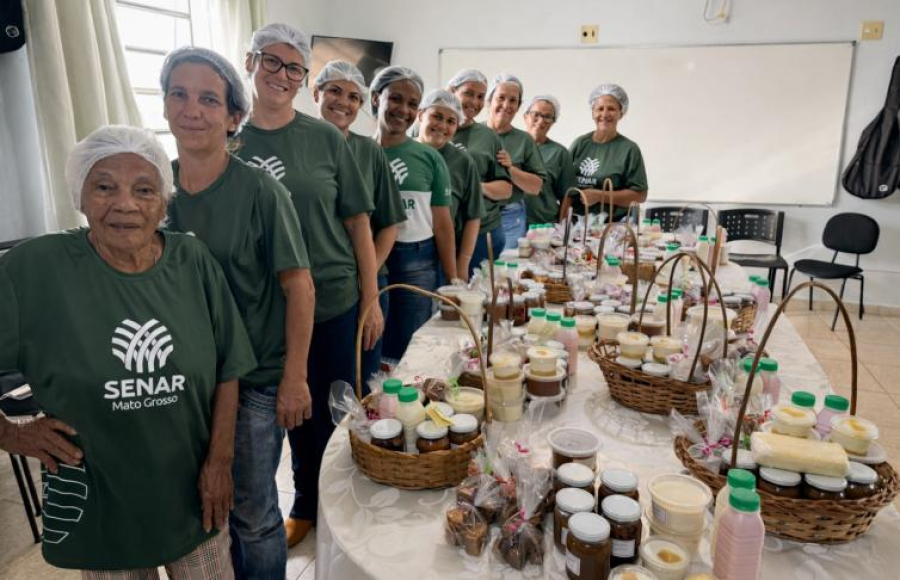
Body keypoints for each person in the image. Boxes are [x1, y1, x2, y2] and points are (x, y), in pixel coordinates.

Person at [0, 125, 257, 578]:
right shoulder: (33, 269)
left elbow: (228, 368)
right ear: (79, 196)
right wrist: (12, 434)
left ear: (164, 202)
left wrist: (220, 463)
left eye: (144, 189)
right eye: (104, 187)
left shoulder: (192, 262)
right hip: (97, 500)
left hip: (193, 492)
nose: (125, 204)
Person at [160, 46, 315, 578]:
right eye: (178, 94)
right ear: (164, 106)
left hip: (254, 378)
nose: (191, 109)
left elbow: (299, 285)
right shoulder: (154, 191)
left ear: (232, 117)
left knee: (253, 514)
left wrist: (294, 378)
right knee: (203, 507)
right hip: (185, 381)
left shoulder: (259, 190)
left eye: (208, 98)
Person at [233, 24, 381, 550]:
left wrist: (371, 299)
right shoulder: (228, 139)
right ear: (249, 63)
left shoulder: (323, 139)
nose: (281, 74)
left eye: (294, 67)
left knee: (340, 412)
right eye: (270, 62)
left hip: (336, 300)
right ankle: (306, 503)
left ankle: (345, 503)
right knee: (292, 415)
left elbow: (359, 222)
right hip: (263, 312)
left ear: (304, 81)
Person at [312, 59, 406, 382]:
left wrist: (367, 285)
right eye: (335, 91)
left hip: (368, 284)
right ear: (316, 93)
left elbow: (389, 224)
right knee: (312, 389)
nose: (344, 102)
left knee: (360, 382)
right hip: (313, 289)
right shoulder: (300, 146)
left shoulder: (369, 152)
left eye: (354, 97)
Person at [372, 66, 456, 360]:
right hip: (370, 261)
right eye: (396, 98)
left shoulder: (429, 158)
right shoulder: (357, 151)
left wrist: (453, 279)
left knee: (410, 349)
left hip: (417, 260)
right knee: (372, 346)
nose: (403, 110)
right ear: (375, 98)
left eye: (412, 104)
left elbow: (443, 224)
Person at [446, 68, 512, 276]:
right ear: (452, 90)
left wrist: (473, 188)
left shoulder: (488, 137)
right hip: (436, 230)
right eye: (468, 93)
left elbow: (506, 189)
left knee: (474, 297)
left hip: (481, 232)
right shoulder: (429, 127)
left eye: (481, 97)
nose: (474, 102)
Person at [416, 89, 484, 280]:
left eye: (451, 121)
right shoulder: (403, 152)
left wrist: (462, 264)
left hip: (444, 255)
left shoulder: (462, 161)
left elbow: (473, 216)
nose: (442, 125)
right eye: (436, 116)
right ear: (420, 115)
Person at [561, 83, 648, 223]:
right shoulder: (580, 144)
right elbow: (567, 189)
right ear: (593, 112)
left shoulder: (629, 149)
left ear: (621, 113)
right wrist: (562, 225)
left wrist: (600, 195)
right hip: (577, 225)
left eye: (612, 109)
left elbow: (640, 195)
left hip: (613, 227)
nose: (605, 114)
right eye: (600, 109)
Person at [485, 73, 546, 252]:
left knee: (504, 269)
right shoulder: (474, 132)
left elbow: (536, 187)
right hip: (475, 213)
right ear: (489, 101)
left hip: (510, 216)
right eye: (501, 98)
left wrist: (510, 169)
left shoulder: (524, 140)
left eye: (513, 100)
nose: (506, 105)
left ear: (518, 107)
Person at [523, 94, 574, 225]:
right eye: (536, 114)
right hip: (510, 224)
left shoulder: (560, 153)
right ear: (525, 116)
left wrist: (561, 231)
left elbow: (567, 196)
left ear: (552, 122)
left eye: (547, 117)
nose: (541, 120)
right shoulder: (510, 145)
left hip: (543, 225)